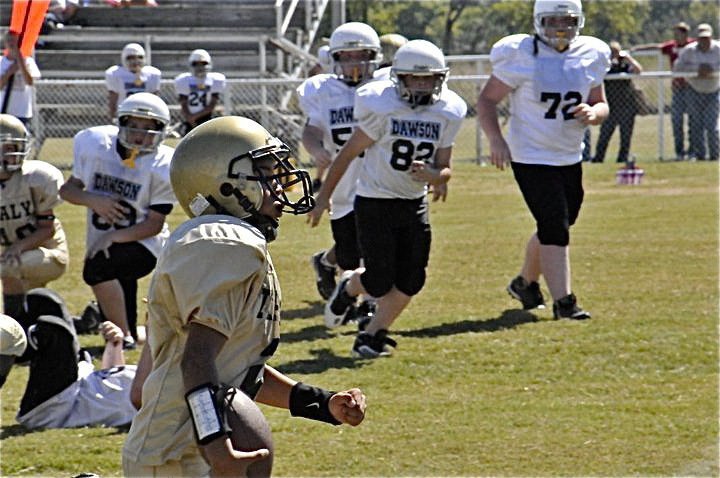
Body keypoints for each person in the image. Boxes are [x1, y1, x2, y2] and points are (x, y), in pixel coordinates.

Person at [122, 116, 366, 477]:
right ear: (224, 186)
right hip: (180, 455)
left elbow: (236, 370)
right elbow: (197, 361)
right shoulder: (226, 243)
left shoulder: (231, 245)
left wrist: (322, 403)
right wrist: (218, 447)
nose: (281, 187)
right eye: (266, 175)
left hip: (185, 448)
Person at [308, 39, 467, 358]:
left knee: (412, 280)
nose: (422, 85)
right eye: (415, 78)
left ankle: (371, 335)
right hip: (375, 203)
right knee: (379, 282)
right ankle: (351, 286)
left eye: (429, 78)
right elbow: (347, 154)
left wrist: (435, 177)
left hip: (413, 204)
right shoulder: (382, 107)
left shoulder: (447, 110)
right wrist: (324, 195)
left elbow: (445, 167)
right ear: (400, 78)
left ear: (440, 78)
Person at [477, 0, 610, 320]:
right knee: (554, 226)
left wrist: (593, 114)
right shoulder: (522, 55)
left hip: (568, 154)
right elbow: (486, 100)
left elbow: (600, 103)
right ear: (539, 22)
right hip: (531, 155)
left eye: (567, 21)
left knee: (559, 223)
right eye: (553, 21)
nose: (560, 29)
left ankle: (525, 282)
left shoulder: (590, 53)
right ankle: (565, 303)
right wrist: (496, 139)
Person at [59, 93, 176, 350]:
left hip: (146, 243)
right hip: (105, 236)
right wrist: (93, 200)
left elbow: (154, 223)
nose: (140, 134)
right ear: (121, 122)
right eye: (134, 125)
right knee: (118, 280)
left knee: (98, 268)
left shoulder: (162, 165)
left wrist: (111, 237)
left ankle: (121, 337)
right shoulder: (96, 145)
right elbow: (67, 190)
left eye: (148, 128)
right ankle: (134, 333)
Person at [297, 22, 382, 318]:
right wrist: (317, 150)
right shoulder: (323, 90)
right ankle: (341, 278)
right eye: (347, 56)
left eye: (362, 56)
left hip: (379, 179)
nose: (355, 63)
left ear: (374, 57)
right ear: (335, 59)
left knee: (375, 247)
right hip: (343, 184)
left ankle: (368, 304)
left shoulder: (385, 87)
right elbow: (311, 130)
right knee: (350, 252)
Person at [0, 305, 137, 430]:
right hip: (81, 384)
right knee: (44, 300)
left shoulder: (156, 397)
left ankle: (8, 346)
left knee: (53, 330)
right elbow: (114, 384)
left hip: (59, 407)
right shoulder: (153, 371)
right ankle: (8, 346)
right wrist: (115, 346)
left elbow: (136, 399)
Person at [1, 114, 68, 319]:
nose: (2, 156)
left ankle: (16, 327)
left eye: (9, 149)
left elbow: (46, 228)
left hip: (48, 251)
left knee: (8, 267)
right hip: (12, 253)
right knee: (31, 303)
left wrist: (16, 248)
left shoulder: (36, 178)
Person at [631, 22, 695, 161]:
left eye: (680, 32)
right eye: (676, 33)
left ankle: (692, 151)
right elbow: (657, 47)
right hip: (677, 89)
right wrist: (638, 49)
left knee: (693, 121)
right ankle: (680, 152)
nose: (677, 36)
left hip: (692, 88)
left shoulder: (692, 46)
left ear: (686, 33)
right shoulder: (671, 46)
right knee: (676, 120)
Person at [674, 23, 720, 161]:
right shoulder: (688, 51)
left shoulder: (718, 49)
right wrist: (695, 71)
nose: (704, 41)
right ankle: (700, 155)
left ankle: (714, 154)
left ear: (711, 37)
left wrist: (712, 70)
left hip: (714, 90)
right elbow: (677, 68)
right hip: (694, 90)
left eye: (707, 38)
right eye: (701, 38)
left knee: (712, 124)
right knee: (696, 124)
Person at [591, 41, 643, 163]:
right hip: (611, 105)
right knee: (605, 133)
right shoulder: (604, 67)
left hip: (627, 105)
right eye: (611, 52)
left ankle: (622, 158)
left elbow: (638, 70)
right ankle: (599, 157)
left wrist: (627, 58)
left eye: (616, 52)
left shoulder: (624, 65)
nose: (614, 55)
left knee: (626, 135)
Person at [173, 49, 226, 136]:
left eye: (203, 64)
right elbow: (183, 103)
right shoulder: (184, 80)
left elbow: (212, 104)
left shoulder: (214, 80)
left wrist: (193, 117)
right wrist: (189, 118)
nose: (200, 67)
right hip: (189, 118)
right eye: (196, 64)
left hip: (206, 117)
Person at [104, 43, 162, 121]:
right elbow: (113, 98)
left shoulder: (152, 74)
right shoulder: (115, 74)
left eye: (139, 57)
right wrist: (112, 116)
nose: (135, 61)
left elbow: (155, 98)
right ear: (124, 58)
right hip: (124, 113)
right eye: (131, 58)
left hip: (146, 113)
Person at [0, 32, 41, 126]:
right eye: (9, 41)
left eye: (14, 41)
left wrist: (20, 62)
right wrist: (9, 72)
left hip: (22, 111)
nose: (11, 44)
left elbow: (30, 82)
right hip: (3, 110)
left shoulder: (28, 62)